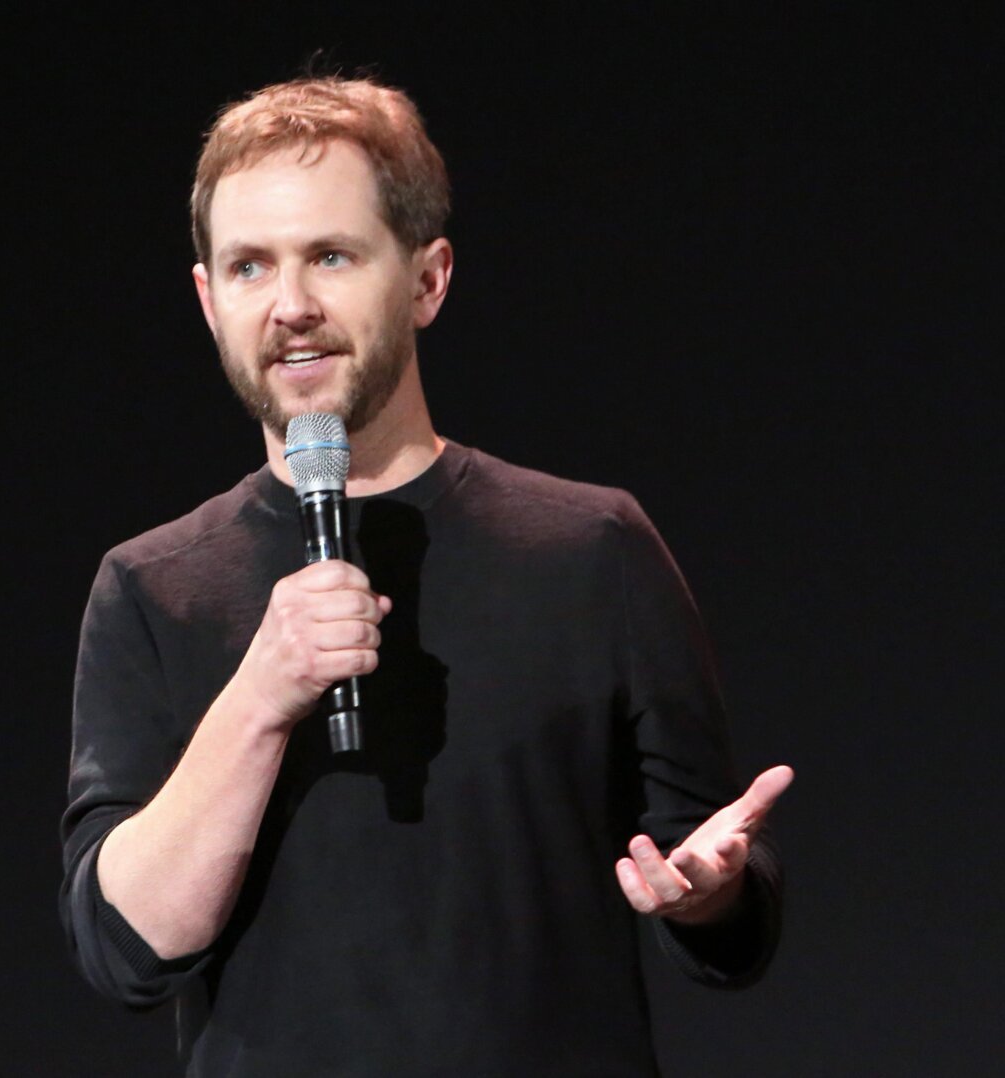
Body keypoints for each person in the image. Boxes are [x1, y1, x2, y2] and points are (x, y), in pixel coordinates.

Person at [60, 75, 793, 1076]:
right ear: (207, 300)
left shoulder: (590, 548)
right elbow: (126, 951)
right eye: (248, 267)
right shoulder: (154, 589)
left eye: (330, 255)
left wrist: (710, 891)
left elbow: (721, 908)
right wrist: (262, 696)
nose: (291, 306)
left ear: (428, 277)